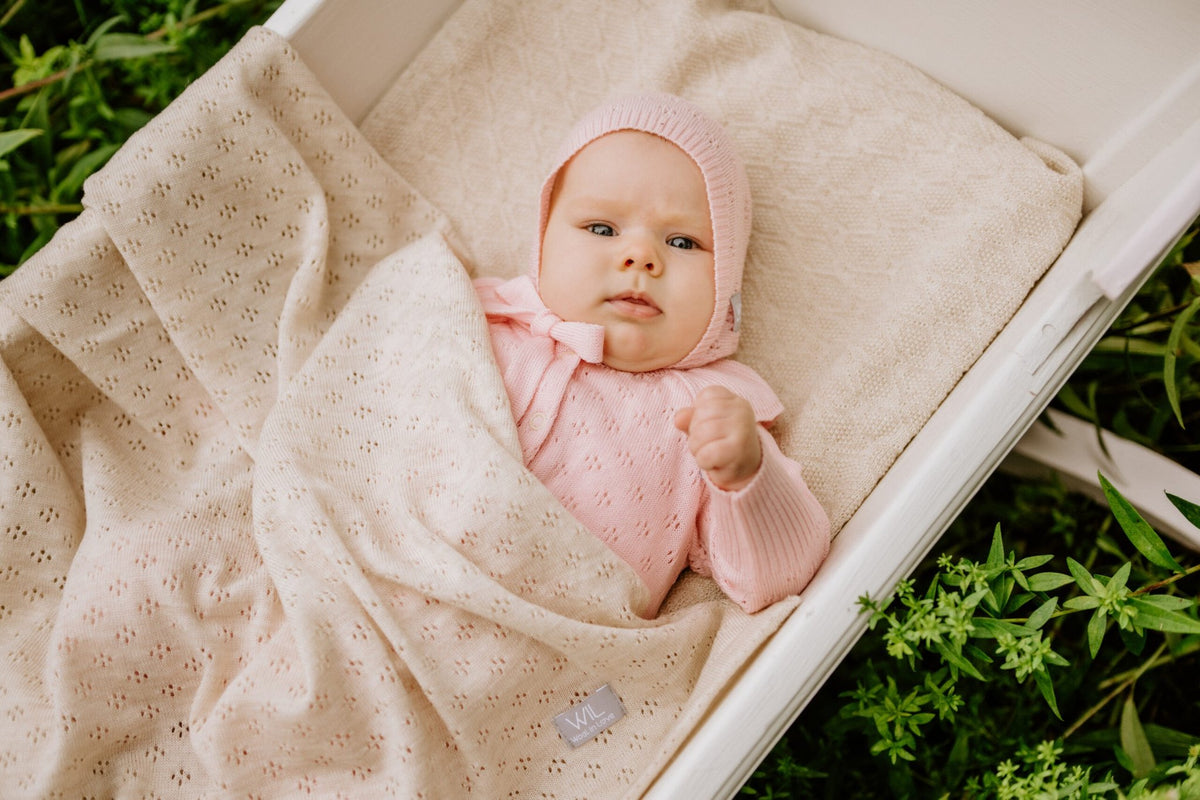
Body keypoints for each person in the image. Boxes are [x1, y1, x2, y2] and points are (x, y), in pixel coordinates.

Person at [475, 93, 829, 615]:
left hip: (538, 651)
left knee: (588, 699)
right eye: (601, 229)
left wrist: (746, 478)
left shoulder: (709, 415)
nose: (640, 256)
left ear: (727, 285)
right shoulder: (482, 320)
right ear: (543, 243)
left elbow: (774, 579)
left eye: (682, 242)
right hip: (364, 568)